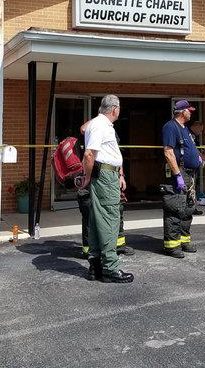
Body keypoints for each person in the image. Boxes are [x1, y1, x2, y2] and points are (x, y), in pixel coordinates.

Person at [80, 95, 134, 283]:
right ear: (114, 109)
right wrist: (87, 176)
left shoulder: (97, 124)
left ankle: (95, 266)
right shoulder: (101, 126)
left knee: (97, 220)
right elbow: (89, 154)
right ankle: (110, 269)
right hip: (104, 176)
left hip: (105, 174)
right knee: (110, 220)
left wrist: (119, 174)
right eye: (119, 108)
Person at [162, 99, 203, 257]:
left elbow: (187, 148)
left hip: (190, 174)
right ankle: (172, 246)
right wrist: (177, 175)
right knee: (175, 208)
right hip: (179, 174)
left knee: (188, 208)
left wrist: (197, 157)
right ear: (182, 112)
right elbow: (168, 152)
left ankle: (184, 241)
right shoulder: (170, 127)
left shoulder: (184, 128)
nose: (191, 112)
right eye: (189, 110)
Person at [189, 121, 205, 215]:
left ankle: (192, 207)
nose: (200, 133)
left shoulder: (192, 136)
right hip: (189, 166)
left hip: (193, 165)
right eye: (200, 130)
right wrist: (201, 156)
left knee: (192, 186)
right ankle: (191, 208)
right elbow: (192, 149)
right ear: (195, 127)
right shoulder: (189, 135)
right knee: (190, 187)